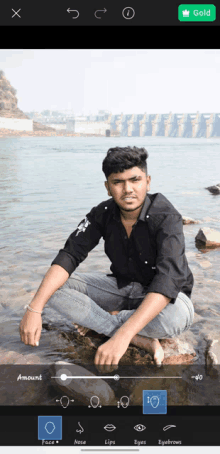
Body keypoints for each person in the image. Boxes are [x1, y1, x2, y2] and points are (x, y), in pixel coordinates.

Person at [20, 146, 194, 369]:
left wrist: (120, 338)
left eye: (135, 180)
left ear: (148, 182)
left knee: (176, 319)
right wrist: (34, 309)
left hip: (168, 300)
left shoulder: (166, 217)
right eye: (118, 182)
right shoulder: (102, 213)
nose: (128, 189)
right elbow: (70, 254)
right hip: (123, 289)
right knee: (51, 289)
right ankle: (138, 337)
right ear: (107, 187)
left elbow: (167, 281)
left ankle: (110, 323)